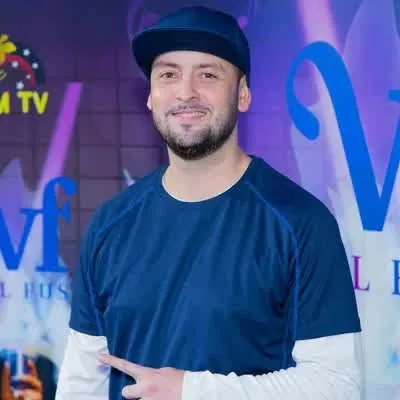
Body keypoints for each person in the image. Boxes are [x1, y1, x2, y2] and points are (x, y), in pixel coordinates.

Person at [55, 5, 363, 400]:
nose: (185, 92)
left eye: (208, 74)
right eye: (168, 75)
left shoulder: (301, 223)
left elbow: (337, 385)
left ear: (243, 93)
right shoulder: (110, 223)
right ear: (150, 96)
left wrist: (191, 390)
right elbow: (83, 381)